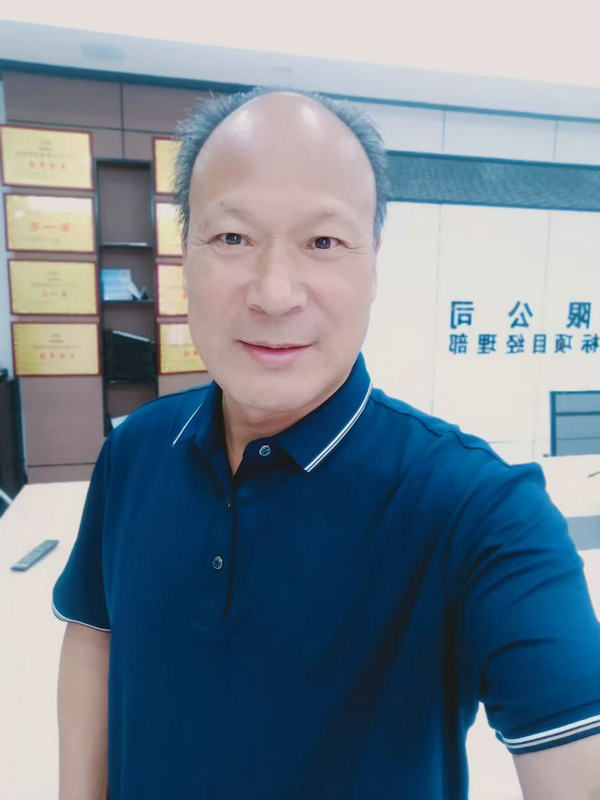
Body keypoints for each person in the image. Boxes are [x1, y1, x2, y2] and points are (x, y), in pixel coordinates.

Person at [52, 85, 600, 800]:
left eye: (323, 242)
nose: (275, 293)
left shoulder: (482, 512)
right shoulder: (135, 450)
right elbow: (94, 633)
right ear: (184, 255)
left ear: (373, 265)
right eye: (233, 238)